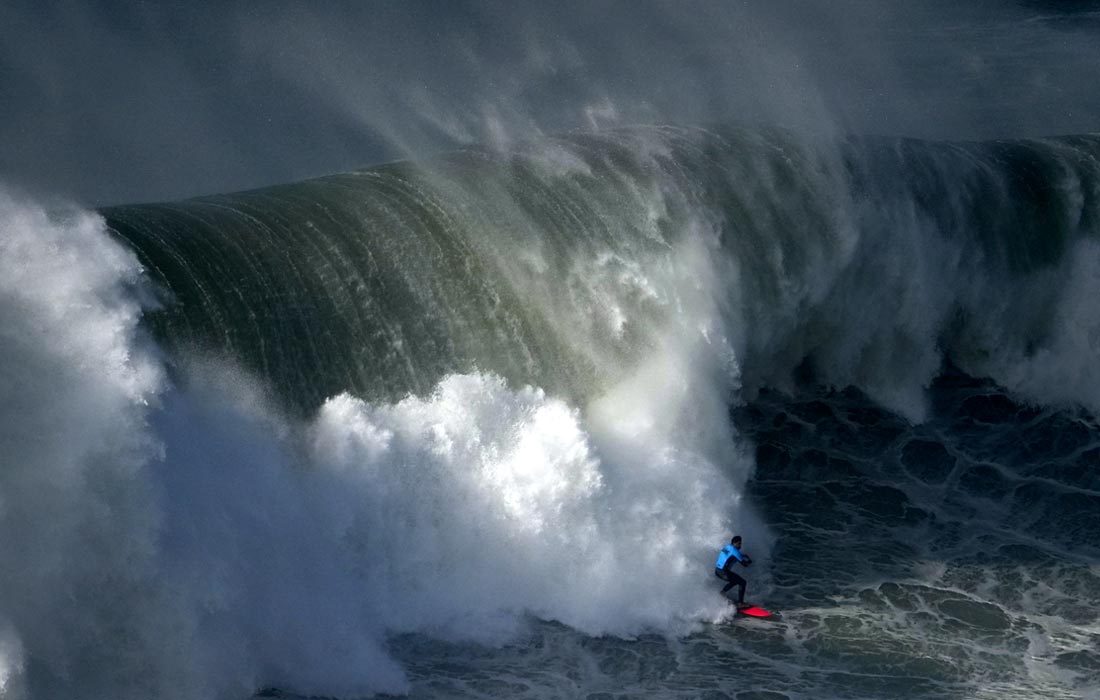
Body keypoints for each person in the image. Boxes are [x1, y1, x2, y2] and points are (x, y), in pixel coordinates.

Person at [715, 535, 752, 606]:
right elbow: (745, 564)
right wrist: (750, 561)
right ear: (734, 543)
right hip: (723, 572)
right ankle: (740, 603)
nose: (740, 545)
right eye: (739, 543)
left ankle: (722, 593)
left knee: (735, 580)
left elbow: (730, 554)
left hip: (717, 571)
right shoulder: (736, 552)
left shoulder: (727, 547)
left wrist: (742, 555)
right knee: (742, 582)